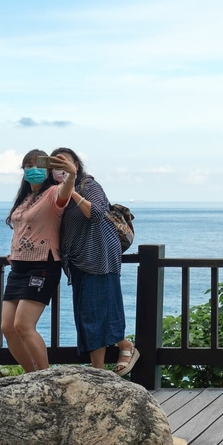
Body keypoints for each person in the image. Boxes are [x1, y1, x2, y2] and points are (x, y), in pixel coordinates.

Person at [51, 147, 138, 376]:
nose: (59, 170)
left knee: (101, 309)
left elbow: (97, 214)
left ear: (76, 166)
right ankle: (98, 370)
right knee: (87, 315)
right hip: (79, 259)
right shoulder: (55, 191)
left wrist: (71, 191)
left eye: (64, 164)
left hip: (100, 256)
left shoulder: (88, 186)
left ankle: (124, 347)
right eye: (55, 166)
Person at [3, 149, 74, 372]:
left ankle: (45, 376)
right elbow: (22, 229)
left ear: (48, 169)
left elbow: (66, 191)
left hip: (43, 264)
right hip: (19, 266)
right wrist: (14, 252)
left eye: (39, 165)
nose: (33, 170)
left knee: (23, 325)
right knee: (7, 327)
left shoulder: (53, 193)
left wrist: (70, 174)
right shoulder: (24, 199)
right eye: (28, 166)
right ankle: (31, 375)